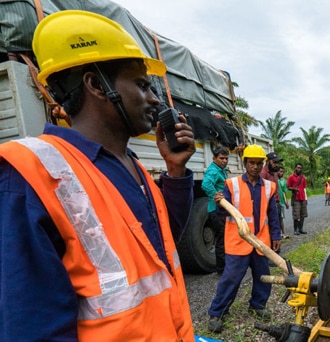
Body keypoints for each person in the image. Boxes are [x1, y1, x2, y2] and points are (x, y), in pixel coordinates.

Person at [0, 10, 196, 340]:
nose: (153, 98)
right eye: (142, 84)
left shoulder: (133, 166)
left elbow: (160, 250)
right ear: (96, 85)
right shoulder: (31, 173)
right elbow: (31, 324)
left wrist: (175, 172)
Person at [207, 144, 282, 334]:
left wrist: (275, 235)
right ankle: (217, 312)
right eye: (251, 163)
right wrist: (219, 203)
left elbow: (273, 214)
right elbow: (221, 212)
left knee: (263, 277)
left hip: (261, 242)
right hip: (238, 242)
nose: (255, 167)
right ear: (245, 163)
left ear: (262, 164)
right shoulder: (231, 185)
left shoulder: (269, 187)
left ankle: (258, 305)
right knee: (231, 278)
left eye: (258, 163)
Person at [202, 145, 230, 274]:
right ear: (214, 158)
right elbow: (206, 184)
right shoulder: (213, 170)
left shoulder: (220, 170)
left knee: (224, 238)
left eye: (226, 158)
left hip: (221, 210)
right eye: (221, 158)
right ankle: (221, 269)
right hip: (215, 210)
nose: (224, 161)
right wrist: (216, 196)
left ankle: (224, 267)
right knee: (222, 240)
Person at [287, 162, 308, 235]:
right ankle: (295, 230)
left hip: (303, 198)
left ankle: (300, 229)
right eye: (298, 167)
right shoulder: (291, 177)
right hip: (296, 198)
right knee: (296, 215)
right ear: (295, 168)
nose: (299, 169)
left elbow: (304, 188)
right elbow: (288, 187)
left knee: (303, 214)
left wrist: (306, 199)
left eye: (300, 168)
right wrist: (293, 189)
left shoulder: (303, 178)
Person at [277, 166, 290, 239]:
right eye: (280, 171)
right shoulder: (274, 180)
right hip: (276, 201)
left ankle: (283, 232)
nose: (282, 173)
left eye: (283, 172)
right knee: (275, 218)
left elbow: (284, 193)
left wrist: (286, 202)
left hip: (281, 202)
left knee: (281, 218)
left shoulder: (283, 181)